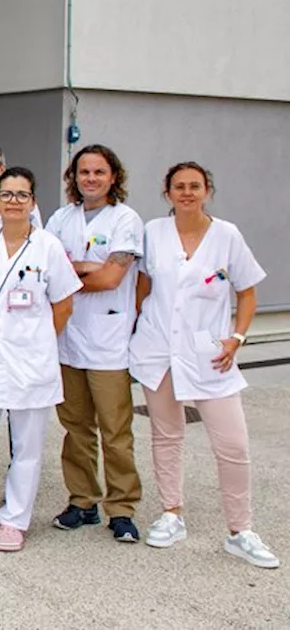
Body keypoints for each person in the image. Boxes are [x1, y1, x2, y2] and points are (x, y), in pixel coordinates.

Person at [129, 162, 279, 569]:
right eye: (179, 186)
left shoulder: (226, 235)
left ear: (207, 190)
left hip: (209, 350)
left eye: (195, 186)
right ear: (168, 192)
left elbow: (247, 292)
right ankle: (171, 514)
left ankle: (240, 530)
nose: (187, 192)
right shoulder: (153, 232)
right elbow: (143, 288)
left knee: (233, 445)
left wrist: (237, 337)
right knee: (166, 435)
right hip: (157, 348)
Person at [0, 167, 81, 553]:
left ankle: (14, 520)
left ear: (33, 202)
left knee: (26, 445)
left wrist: (34, 341)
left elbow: (64, 304)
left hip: (28, 359)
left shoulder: (47, 247)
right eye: (7, 194)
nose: (13, 202)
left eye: (22, 195)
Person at [45, 145, 144, 542]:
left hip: (108, 342)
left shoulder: (126, 220)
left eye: (99, 172)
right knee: (75, 427)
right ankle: (82, 500)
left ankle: (121, 508)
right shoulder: (60, 219)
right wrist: (88, 266)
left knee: (115, 429)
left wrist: (78, 269)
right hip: (67, 340)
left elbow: (110, 280)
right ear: (74, 177)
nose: (90, 178)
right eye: (84, 172)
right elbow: (48, 275)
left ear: (113, 177)